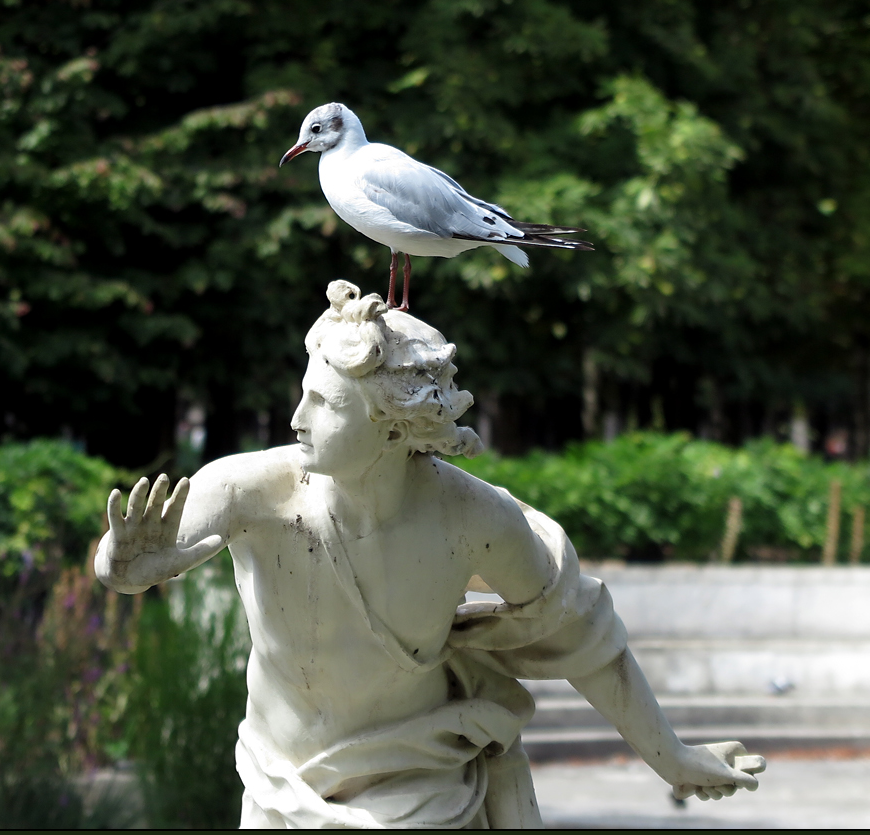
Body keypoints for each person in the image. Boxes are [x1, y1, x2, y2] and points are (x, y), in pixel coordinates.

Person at [96, 281, 764, 828]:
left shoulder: (473, 518)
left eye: (322, 402)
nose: (295, 417)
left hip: (420, 785)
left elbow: (582, 635)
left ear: (392, 423)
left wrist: (671, 758)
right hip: (281, 785)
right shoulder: (248, 491)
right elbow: (138, 558)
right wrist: (121, 566)